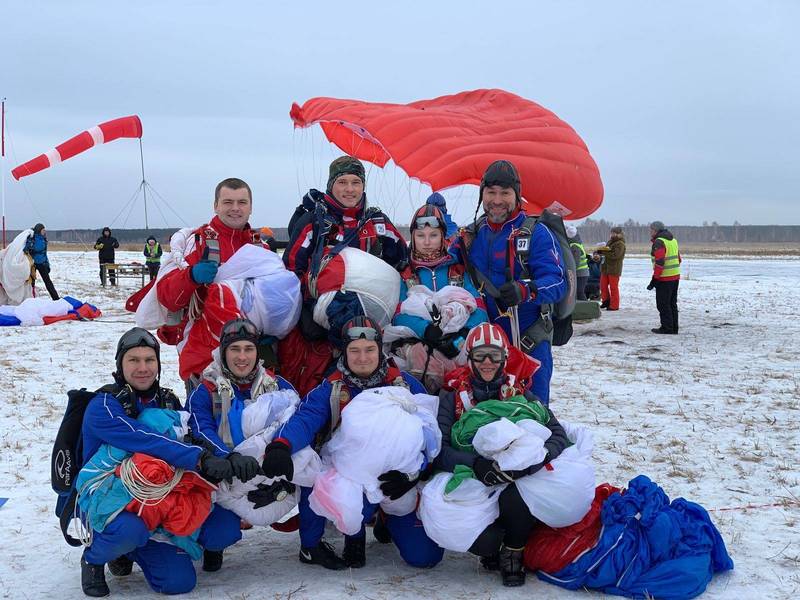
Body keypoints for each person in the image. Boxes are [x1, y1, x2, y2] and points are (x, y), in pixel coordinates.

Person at [262, 317, 443, 571]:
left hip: (399, 480)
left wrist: (416, 473)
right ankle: (350, 535)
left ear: (380, 350)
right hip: (351, 476)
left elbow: (429, 433)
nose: (362, 358)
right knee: (309, 469)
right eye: (354, 351)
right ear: (343, 353)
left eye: (369, 350)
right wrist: (282, 445)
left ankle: (388, 518)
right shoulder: (333, 389)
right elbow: (305, 419)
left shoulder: (403, 384)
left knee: (425, 557)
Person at [78, 328, 243, 597]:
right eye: (134, 360)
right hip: (113, 500)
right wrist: (197, 459)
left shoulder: (168, 400)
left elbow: (193, 433)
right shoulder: (104, 406)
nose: (143, 368)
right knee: (135, 537)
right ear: (120, 364)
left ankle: (189, 545)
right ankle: (97, 556)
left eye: (149, 360)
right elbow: (143, 438)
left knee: (223, 527)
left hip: (165, 497)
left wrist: (225, 458)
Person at [435, 323, 569, 586]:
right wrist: (475, 464)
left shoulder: (519, 393)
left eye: (494, 355)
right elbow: (439, 451)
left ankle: (514, 551)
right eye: (480, 355)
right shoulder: (452, 397)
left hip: (514, 481)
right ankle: (494, 545)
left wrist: (531, 462)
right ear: (469, 357)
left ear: (505, 359)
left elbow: (557, 435)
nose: (487, 362)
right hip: (472, 477)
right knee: (484, 541)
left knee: (518, 495)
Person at [458, 159, 567, 405]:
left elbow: (558, 282)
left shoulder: (536, 234)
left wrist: (526, 290)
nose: (497, 200)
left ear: (517, 196)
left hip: (528, 343)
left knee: (533, 415)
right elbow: (437, 259)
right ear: (481, 194)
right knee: (481, 417)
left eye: (505, 193)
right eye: (491, 192)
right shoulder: (471, 236)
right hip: (483, 351)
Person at [156, 178, 268, 383]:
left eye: (242, 202)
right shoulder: (198, 243)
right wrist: (191, 276)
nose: (235, 208)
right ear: (215, 206)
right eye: (228, 202)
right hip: (204, 363)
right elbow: (167, 297)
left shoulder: (261, 249)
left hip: (252, 361)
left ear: (251, 207)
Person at [392, 203, 487, 392]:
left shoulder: (457, 270)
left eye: (433, 235)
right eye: (420, 236)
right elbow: (399, 314)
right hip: (418, 342)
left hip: (457, 343)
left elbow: (480, 311)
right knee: (420, 359)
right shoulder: (406, 274)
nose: (427, 242)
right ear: (413, 237)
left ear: (443, 236)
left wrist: (461, 336)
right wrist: (425, 330)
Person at [647, 220, 682, 334]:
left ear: (656, 230)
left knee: (663, 304)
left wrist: (655, 278)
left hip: (664, 278)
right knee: (672, 303)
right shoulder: (673, 240)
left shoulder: (659, 242)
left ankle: (667, 328)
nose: (650, 232)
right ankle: (673, 327)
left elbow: (660, 262)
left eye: (651, 229)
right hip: (675, 277)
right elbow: (679, 259)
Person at [24, 223, 59, 300]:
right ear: (39, 230)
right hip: (33, 264)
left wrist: (47, 264)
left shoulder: (43, 238)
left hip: (42, 263)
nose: (44, 231)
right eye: (43, 230)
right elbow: (27, 249)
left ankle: (56, 298)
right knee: (31, 283)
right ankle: (31, 298)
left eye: (44, 230)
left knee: (47, 281)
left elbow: (44, 253)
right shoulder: (32, 238)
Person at [597, 226, 625, 311]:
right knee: (603, 286)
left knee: (613, 287)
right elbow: (607, 252)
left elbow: (615, 255)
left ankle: (614, 305)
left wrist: (604, 252)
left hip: (614, 268)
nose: (612, 234)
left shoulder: (620, 244)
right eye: (611, 233)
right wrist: (600, 251)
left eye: (614, 233)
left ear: (619, 234)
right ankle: (606, 301)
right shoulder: (610, 241)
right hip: (605, 267)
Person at [566, 224, 589, 301]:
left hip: (581, 273)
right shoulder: (577, 243)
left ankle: (586, 307)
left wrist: (570, 271)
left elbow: (575, 262)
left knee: (579, 292)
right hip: (581, 273)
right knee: (577, 292)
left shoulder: (574, 246)